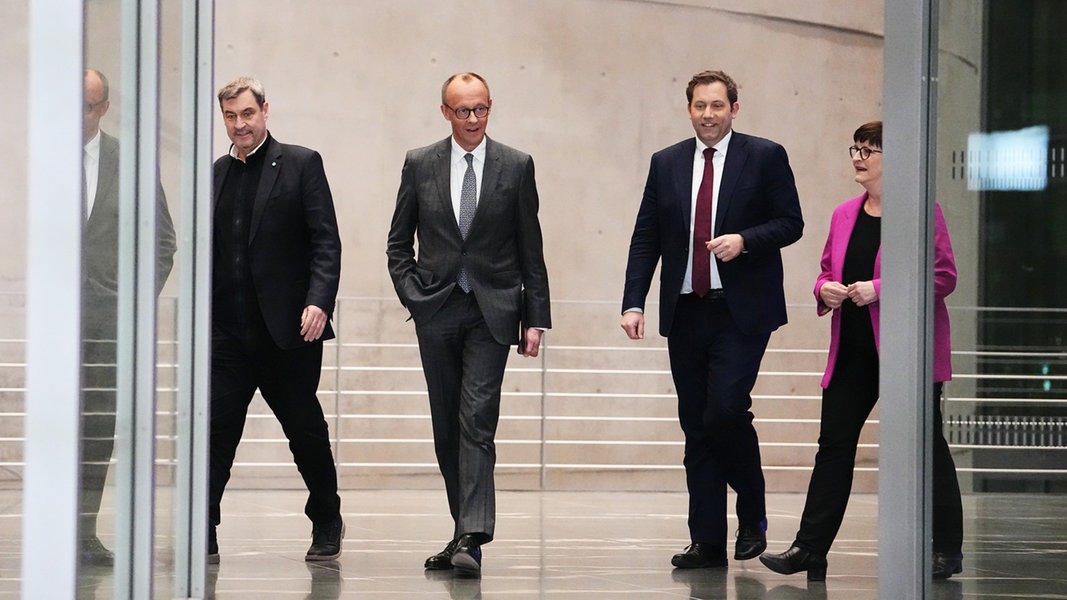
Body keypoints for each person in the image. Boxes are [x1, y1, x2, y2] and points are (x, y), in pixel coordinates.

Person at [759, 121, 964, 580]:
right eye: (856, 147)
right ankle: (809, 548)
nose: (859, 156)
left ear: (896, 159)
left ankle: (947, 550)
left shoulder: (920, 212)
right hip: (851, 349)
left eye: (870, 150)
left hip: (905, 354)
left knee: (927, 447)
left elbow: (944, 277)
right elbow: (825, 271)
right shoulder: (843, 214)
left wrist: (879, 288)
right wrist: (824, 289)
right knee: (833, 448)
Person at [621, 69, 804, 569]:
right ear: (689, 109)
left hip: (741, 310)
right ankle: (706, 540)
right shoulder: (667, 163)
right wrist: (633, 301)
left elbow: (792, 222)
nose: (708, 114)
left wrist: (746, 240)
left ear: (734, 109)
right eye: (700, 105)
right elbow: (647, 236)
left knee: (725, 410)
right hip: (685, 311)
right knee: (696, 425)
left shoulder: (764, 156)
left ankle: (753, 510)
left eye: (717, 106)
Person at [387, 72, 551, 577]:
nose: (474, 119)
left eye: (481, 108)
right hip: (436, 309)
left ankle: (472, 537)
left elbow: (531, 248)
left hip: (493, 310)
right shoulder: (419, 163)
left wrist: (536, 318)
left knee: (476, 420)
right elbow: (398, 245)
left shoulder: (516, 165)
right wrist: (415, 296)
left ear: (490, 107)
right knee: (445, 427)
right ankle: (463, 530)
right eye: (463, 111)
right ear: (445, 112)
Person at [209, 76, 344, 563]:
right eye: (230, 116)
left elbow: (326, 241)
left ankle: (327, 516)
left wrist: (318, 300)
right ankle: (204, 525)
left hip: (290, 331)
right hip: (228, 332)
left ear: (265, 111)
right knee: (216, 431)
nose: (239, 124)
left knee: (304, 431)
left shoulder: (301, 164)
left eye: (247, 113)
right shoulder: (216, 174)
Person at [80, 68, 177, 566]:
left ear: (105, 107)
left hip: (109, 324)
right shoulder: (46, 156)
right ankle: (60, 527)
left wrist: (131, 303)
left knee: (97, 429)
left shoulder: (130, 162)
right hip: (57, 323)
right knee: (58, 425)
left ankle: (83, 534)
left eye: (89, 105)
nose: (79, 115)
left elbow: (163, 243)